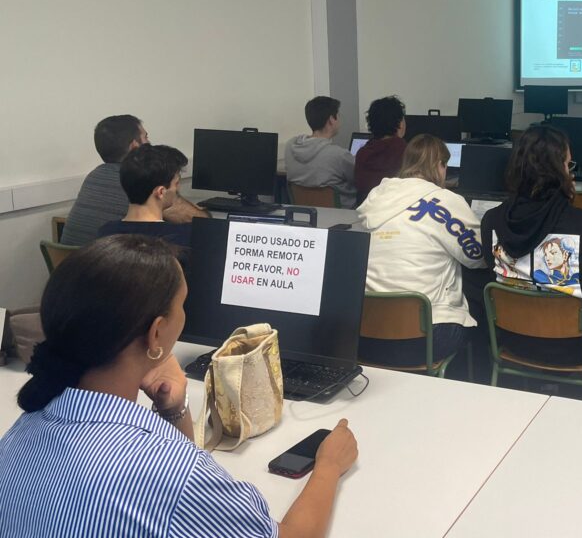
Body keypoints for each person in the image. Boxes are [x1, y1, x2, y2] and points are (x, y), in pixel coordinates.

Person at [0, 234, 358, 537]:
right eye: (182, 304)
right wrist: (328, 466)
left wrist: (172, 410)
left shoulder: (21, 431)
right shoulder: (170, 473)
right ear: (156, 333)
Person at [479, 125, 582, 365]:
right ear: (559, 173)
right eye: (568, 165)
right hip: (578, 346)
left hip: (513, 339)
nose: (571, 172)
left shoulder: (491, 221)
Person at [356, 134, 486, 367]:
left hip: (367, 335)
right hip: (426, 339)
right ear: (440, 166)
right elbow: (478, 257)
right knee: (478, 303)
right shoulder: (446, 201)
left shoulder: (377, 198)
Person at [60, 115, 147, 246]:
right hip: (105, 258)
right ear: (134, 146)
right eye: (146, 138)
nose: (150, 144)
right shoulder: (140, 180)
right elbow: (177, 216)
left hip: (70, 258)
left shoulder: (94, 176)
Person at [97, 144, 194, 248]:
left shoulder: (105, 233)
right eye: (176, 183)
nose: (178, 188)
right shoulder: (184, 236)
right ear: (161, 192)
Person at [285, 96, 357, 208]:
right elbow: (359, 179)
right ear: (331, 120)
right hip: (340, 214)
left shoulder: (290, 147)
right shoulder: (339, 155)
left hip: (305, 213)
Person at [354, 96, 407, 204]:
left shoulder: (362, 153)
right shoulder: (405, 152)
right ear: (400, 124)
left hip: (366, 210)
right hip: (394, 210)